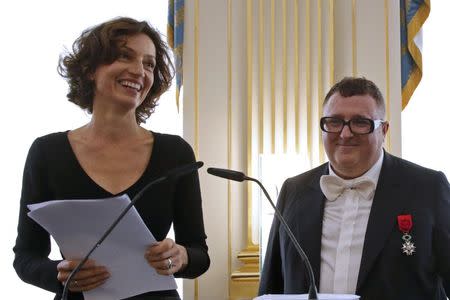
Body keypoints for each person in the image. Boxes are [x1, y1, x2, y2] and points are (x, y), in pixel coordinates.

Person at [13, 17, 210, 300]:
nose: (139, 70)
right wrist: (59, 273)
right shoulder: (47, 152)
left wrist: (180, 257)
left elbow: (199, 254)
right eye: (124, 56)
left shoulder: (176, 153)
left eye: (149, 64)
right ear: (90, 69)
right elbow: (26, 257)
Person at [259, 77, 450, 299]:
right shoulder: (293, 190)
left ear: (384, 130)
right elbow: (272, 286)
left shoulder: (428, 188)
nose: (345, 133)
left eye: (360, 122)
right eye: (334, 121)